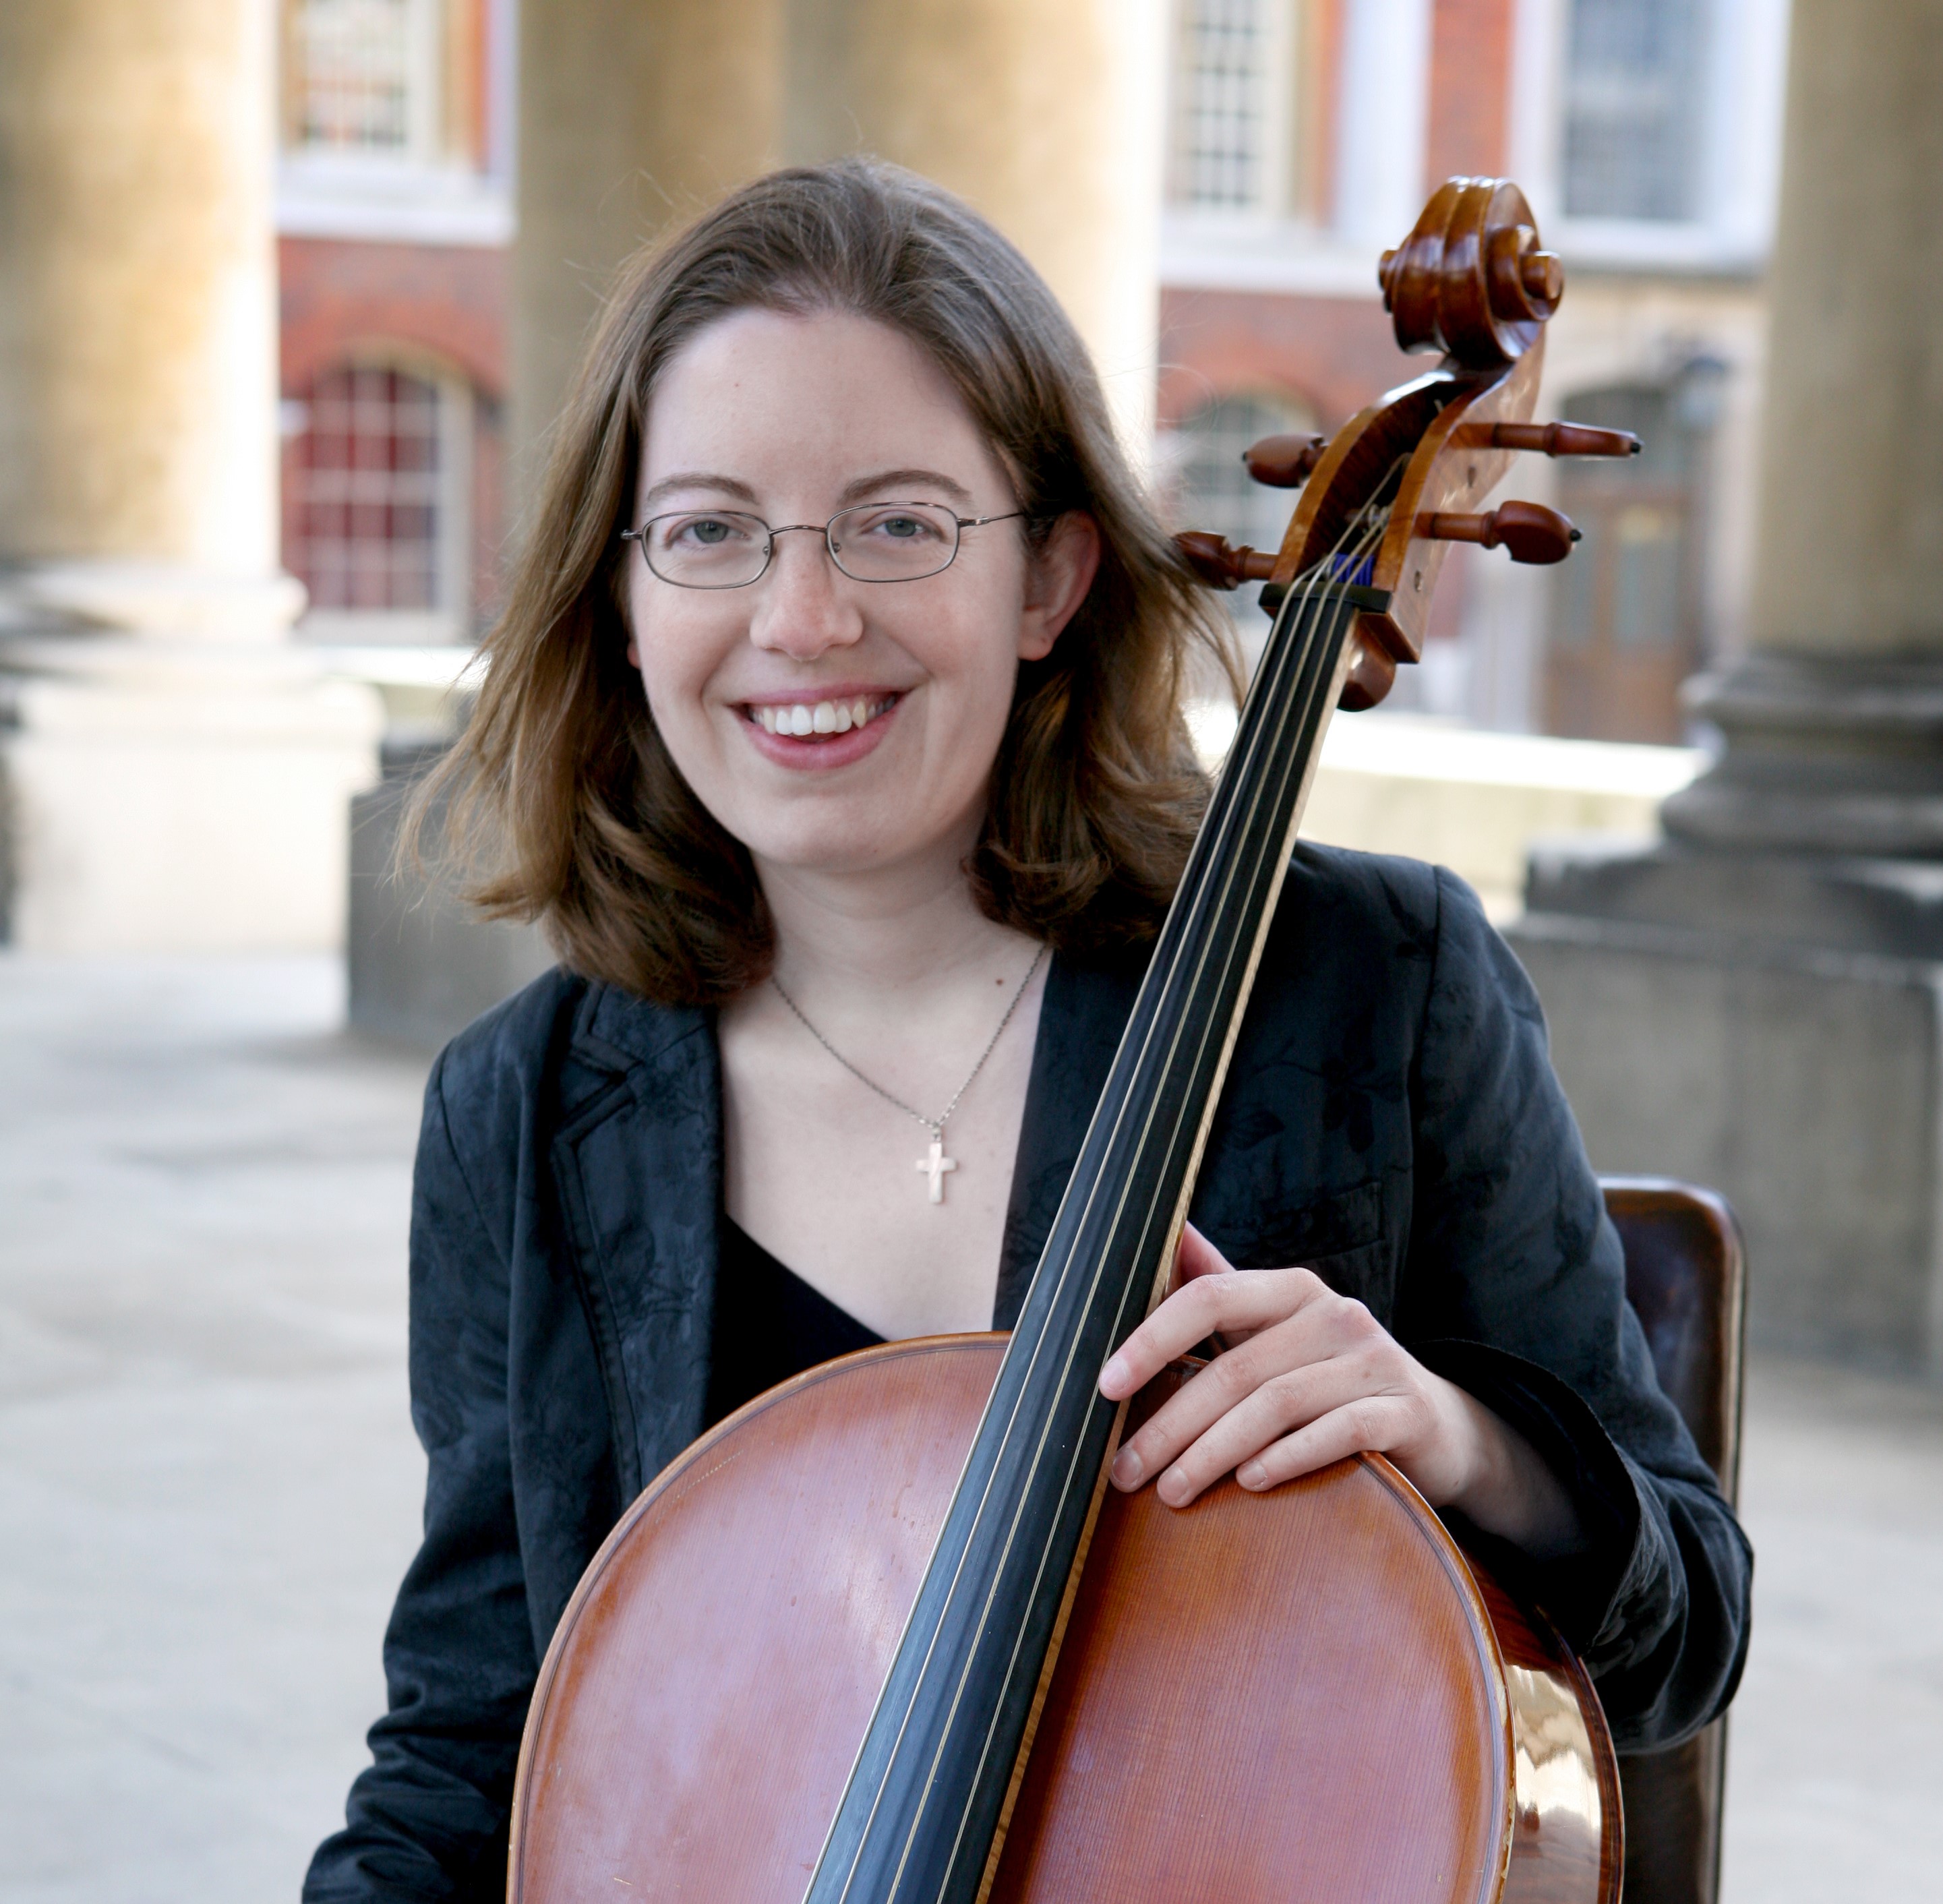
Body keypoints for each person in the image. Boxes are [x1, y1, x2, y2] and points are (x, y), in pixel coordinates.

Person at [305, 158, 1751, 1901]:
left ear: (1053, 579)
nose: (799, 618)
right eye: (708, 530)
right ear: (624, 598)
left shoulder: (1368, 982)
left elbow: (1683, 1639)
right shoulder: (523, 1111)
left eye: (898, 523)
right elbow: (475, 1750)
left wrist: (1457, 1440)